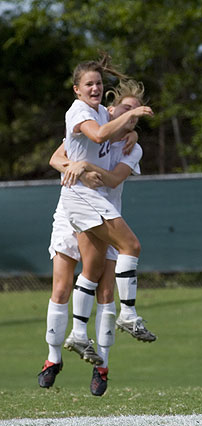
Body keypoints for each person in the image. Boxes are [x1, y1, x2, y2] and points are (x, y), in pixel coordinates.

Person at [38, 65, 154, 394]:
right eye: (125, 109)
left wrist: (91, 164)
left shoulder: (128, 141)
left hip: (103, 210)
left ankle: (100, 365)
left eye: (135, 113)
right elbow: (58, 158)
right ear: (113, 107)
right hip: (74, 208)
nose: (130, 116)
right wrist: (77, 168)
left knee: (103, 289)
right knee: (61, 288)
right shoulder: (93, 118)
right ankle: (53, 356)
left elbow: (114, 177)